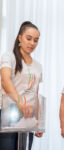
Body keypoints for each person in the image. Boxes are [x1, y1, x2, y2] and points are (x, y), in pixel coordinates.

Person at [0, 21, 43, 150]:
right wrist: (20, 103)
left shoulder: (38, 66)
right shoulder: (9, 56)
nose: (32, 43)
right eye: (28, 38)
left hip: (27, 117)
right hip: (8, 113)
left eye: (36, 40)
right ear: (20, 38)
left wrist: (38, 121)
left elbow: (35, 93)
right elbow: (5, 81)